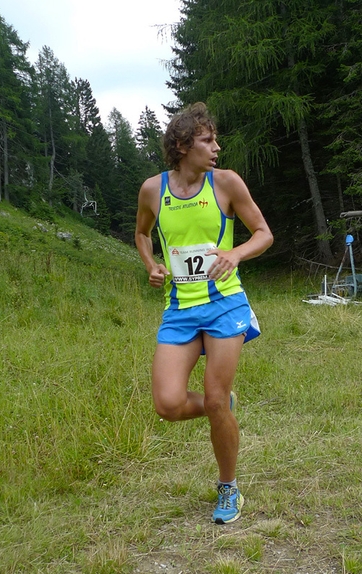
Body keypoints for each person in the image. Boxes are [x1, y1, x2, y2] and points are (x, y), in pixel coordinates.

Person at [135, 102, 273, 524]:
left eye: (215, 139)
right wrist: (152, 266)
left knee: (213, 398)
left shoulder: (227, 183)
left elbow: (264, 233)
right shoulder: (152, 190)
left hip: (224, 304)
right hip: (180, 309)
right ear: (181, 145)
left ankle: (228, 488)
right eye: (207, 140)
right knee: (168, 403)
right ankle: (222, 404)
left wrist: (235, 252)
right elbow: (141, 234)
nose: (217, 147)